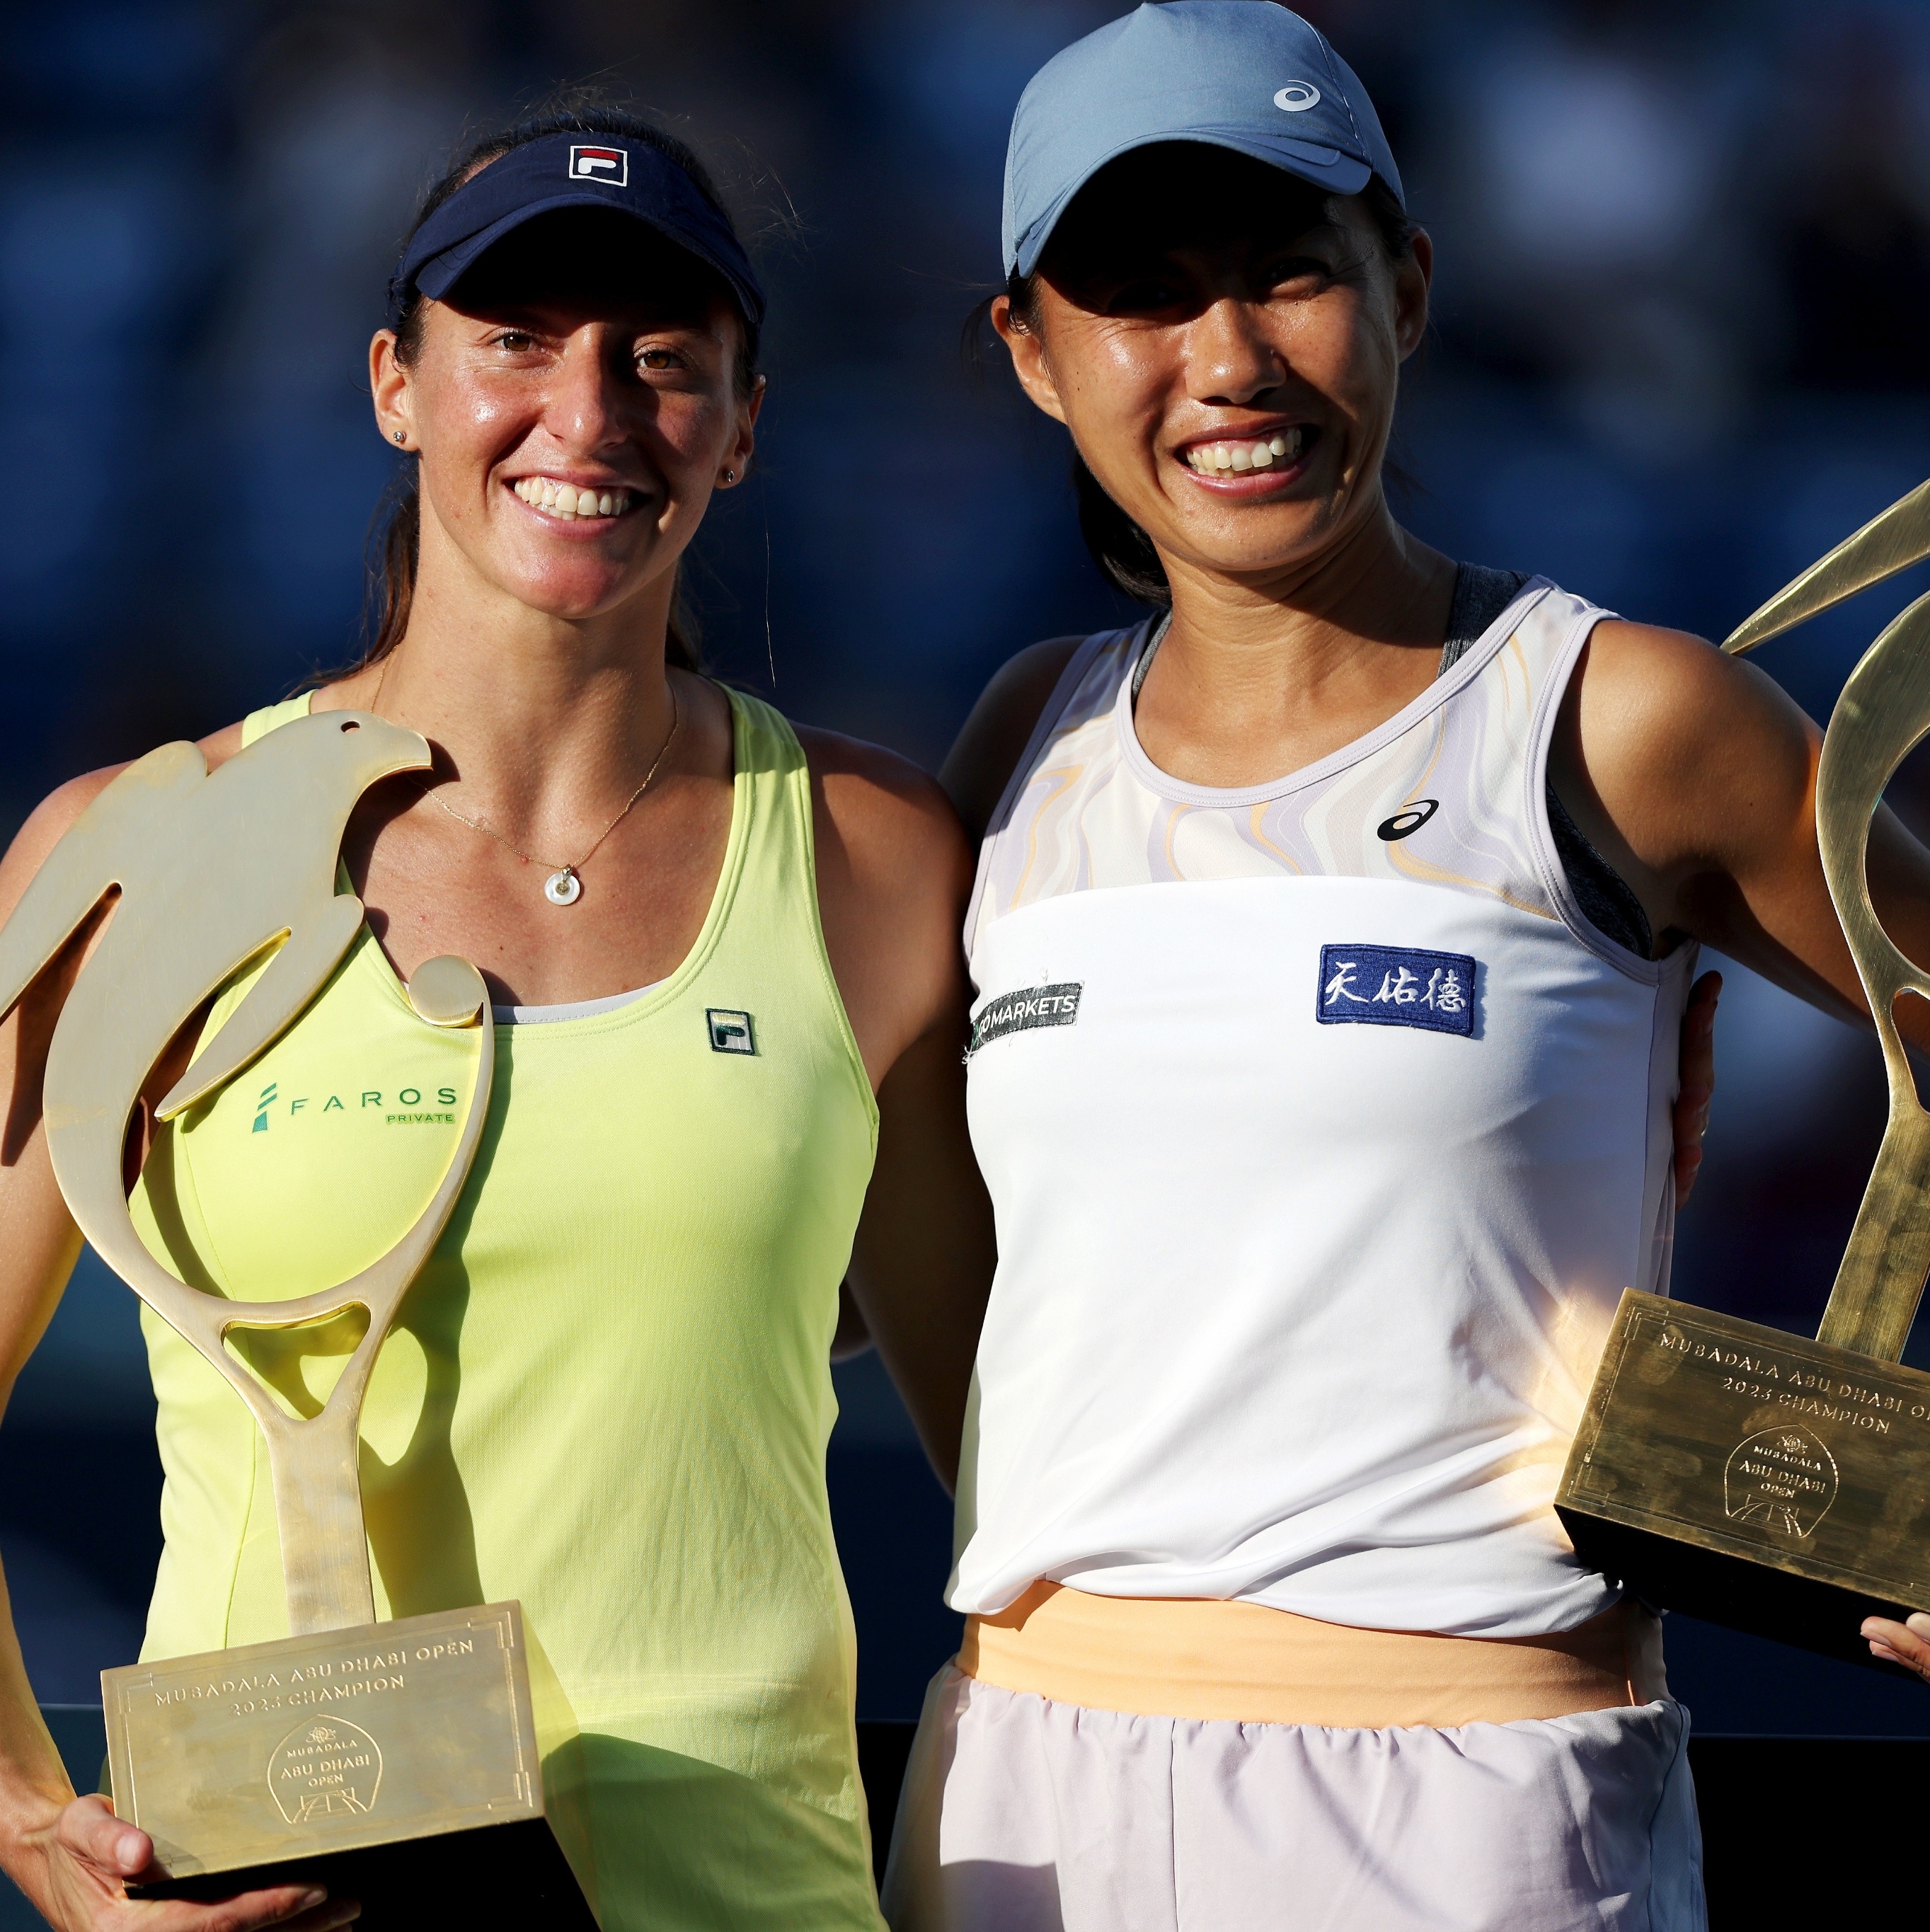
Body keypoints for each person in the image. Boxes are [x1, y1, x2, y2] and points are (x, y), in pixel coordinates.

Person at [880, 6, 1929, 1927]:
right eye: (1139, 293)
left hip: (1482, 1804)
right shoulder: (1024, 738)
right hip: (1028, 1786)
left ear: (1412, 288)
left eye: (1292, 272)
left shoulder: (1620, 716)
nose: (1227, 361)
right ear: (1032, 355)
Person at [0, 109, 993, 1932]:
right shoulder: (129, 849)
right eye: (516, 341)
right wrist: (23, 1815)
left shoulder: (877, 856)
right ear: (397, 386)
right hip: (264, 1895)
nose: (590, 412)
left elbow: (1018, 1462)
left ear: (744, 425)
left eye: (661, 360)